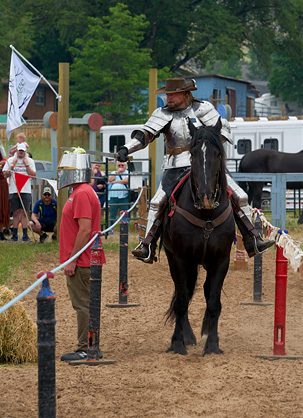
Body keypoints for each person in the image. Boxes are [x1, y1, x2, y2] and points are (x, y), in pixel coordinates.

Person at [116, 77, 274, 263]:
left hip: (206, 163)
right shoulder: (162, 113)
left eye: (172, 94)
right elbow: (145, 134)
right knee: (157, 201)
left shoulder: (203, 108)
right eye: (167, 94)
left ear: (185, 93)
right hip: (175, 165)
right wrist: (127, 148)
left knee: (240, 195)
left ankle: (253, 239)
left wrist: (208, 139)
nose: (169, 98)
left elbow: (223, 130)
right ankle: (147, 245)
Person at [58, 151, 106, 362]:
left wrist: (72, 259)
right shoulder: (81, 191)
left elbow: (85, 229)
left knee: (84, 304)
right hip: (83, 259)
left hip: (83, 260)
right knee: (85, 304)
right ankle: (89, 345)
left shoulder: (82, 193)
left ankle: (86, 348)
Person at [2, 143, 36, 242]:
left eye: (22, 151)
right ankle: (15, 236)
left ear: (25, 151)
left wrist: (27, 165)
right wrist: (12, 166)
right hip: (13, 189)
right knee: (16, 213)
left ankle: (25, 236)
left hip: (26, 190)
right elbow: (5, 174)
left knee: (24, 213)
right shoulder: (10, 160)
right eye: (19, 150)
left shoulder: (30, 161)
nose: (21, 152)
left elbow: (33, 175)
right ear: (17, 150)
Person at [108, 161, 129, 226]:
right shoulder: (114, 173)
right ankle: (110, 229)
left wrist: (115, 181)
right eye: (119, 165)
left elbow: (126, 181)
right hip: (113, 196)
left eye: (122, 165)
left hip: (123, 196)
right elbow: (110, 180)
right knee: (112, 214)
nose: (121, 167)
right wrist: (117, 172)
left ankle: (125, 228)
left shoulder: (127, 173)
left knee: (124, 213)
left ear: (125, 166)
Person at [0, 147, 10, 241]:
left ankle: (1, 233)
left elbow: (7, 174)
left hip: (2, 186)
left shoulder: (4, 161)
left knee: (2, 208)